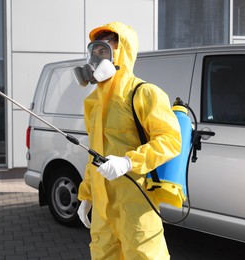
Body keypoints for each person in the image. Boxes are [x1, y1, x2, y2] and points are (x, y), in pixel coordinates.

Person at [76, 21, 182, 259]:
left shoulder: (144, 93)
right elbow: (93, 155)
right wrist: (87, 196)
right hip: (103, 211)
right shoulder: (93, 103)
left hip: (136, 203)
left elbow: (170, 140)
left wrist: (128, 162)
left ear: (121, 52)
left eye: (103, 51)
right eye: (94, 52)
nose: (96, 58)